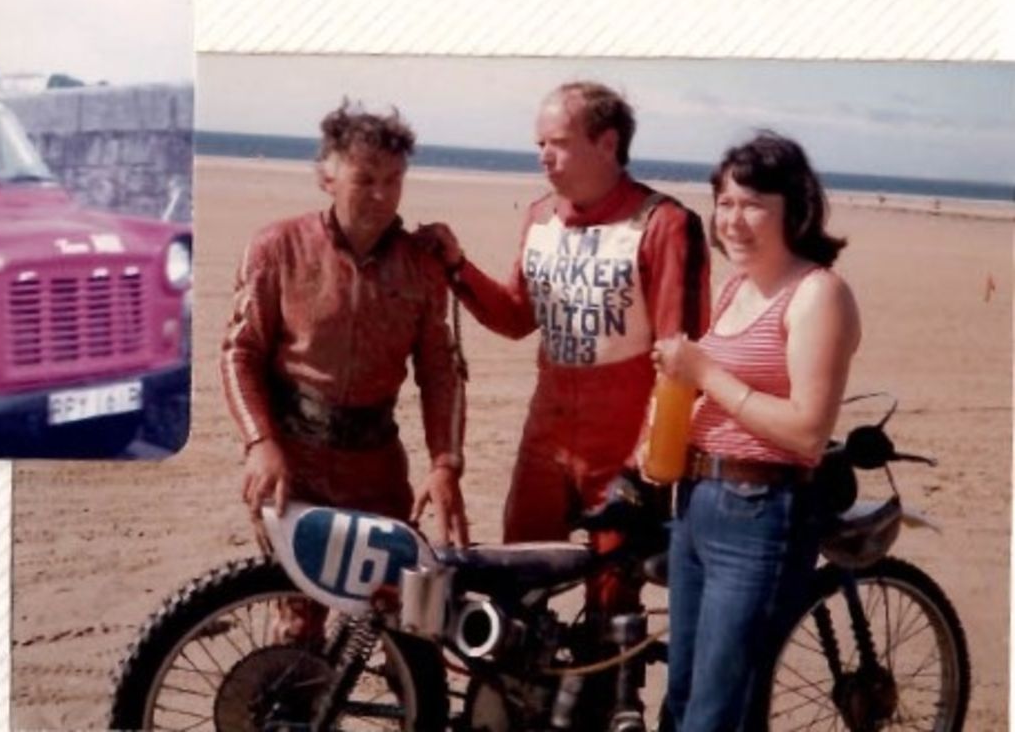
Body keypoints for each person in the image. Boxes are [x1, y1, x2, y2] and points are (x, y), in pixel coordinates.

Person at [421, 81, 710, 545]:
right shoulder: (539, 217)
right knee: (517, 580)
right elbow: (517, 318)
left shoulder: (663, 224)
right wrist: (458, 266)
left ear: (608, 143)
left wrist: (649, 459)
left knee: (612, 602)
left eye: (558, 144)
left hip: (624, 448)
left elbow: (684, 360)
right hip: (546, 441)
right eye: (540, 145)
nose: (543, 156)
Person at [653, 131, 861, 732]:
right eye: (724, 203)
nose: (733, 220)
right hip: (695, 501)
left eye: (752, 205)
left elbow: (806, 433)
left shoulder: (818, 294)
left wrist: (706, 373)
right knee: (685, 694)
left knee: (722, 708)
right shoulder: (735, 288)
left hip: (760, 512)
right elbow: (713, 392)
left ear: (793, 209)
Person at [220, 102, 470, 553]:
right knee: (296, 618)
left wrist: (445, 464)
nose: (381, 195)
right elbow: (241, 352)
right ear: (327, 178)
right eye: (365, 180)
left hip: (377, 469)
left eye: (393, 180)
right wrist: (260, 443)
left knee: (389, 611)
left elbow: (441, 372)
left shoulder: (421, 267)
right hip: (293, 465)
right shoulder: (276, 249)